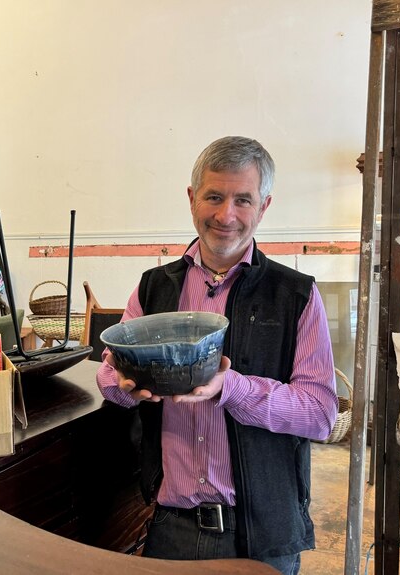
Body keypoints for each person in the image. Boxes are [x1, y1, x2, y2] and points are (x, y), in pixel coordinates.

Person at [96, 136, 338, 575]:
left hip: (262, 534)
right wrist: (124, 387)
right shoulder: (154, 288)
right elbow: (110, 377)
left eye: (242, 199)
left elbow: (321, 413)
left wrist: (232, 388)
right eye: (214, 196)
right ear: (192, 199)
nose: (226, 215)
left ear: (263, 207)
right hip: (170, 526)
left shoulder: (296, 295)